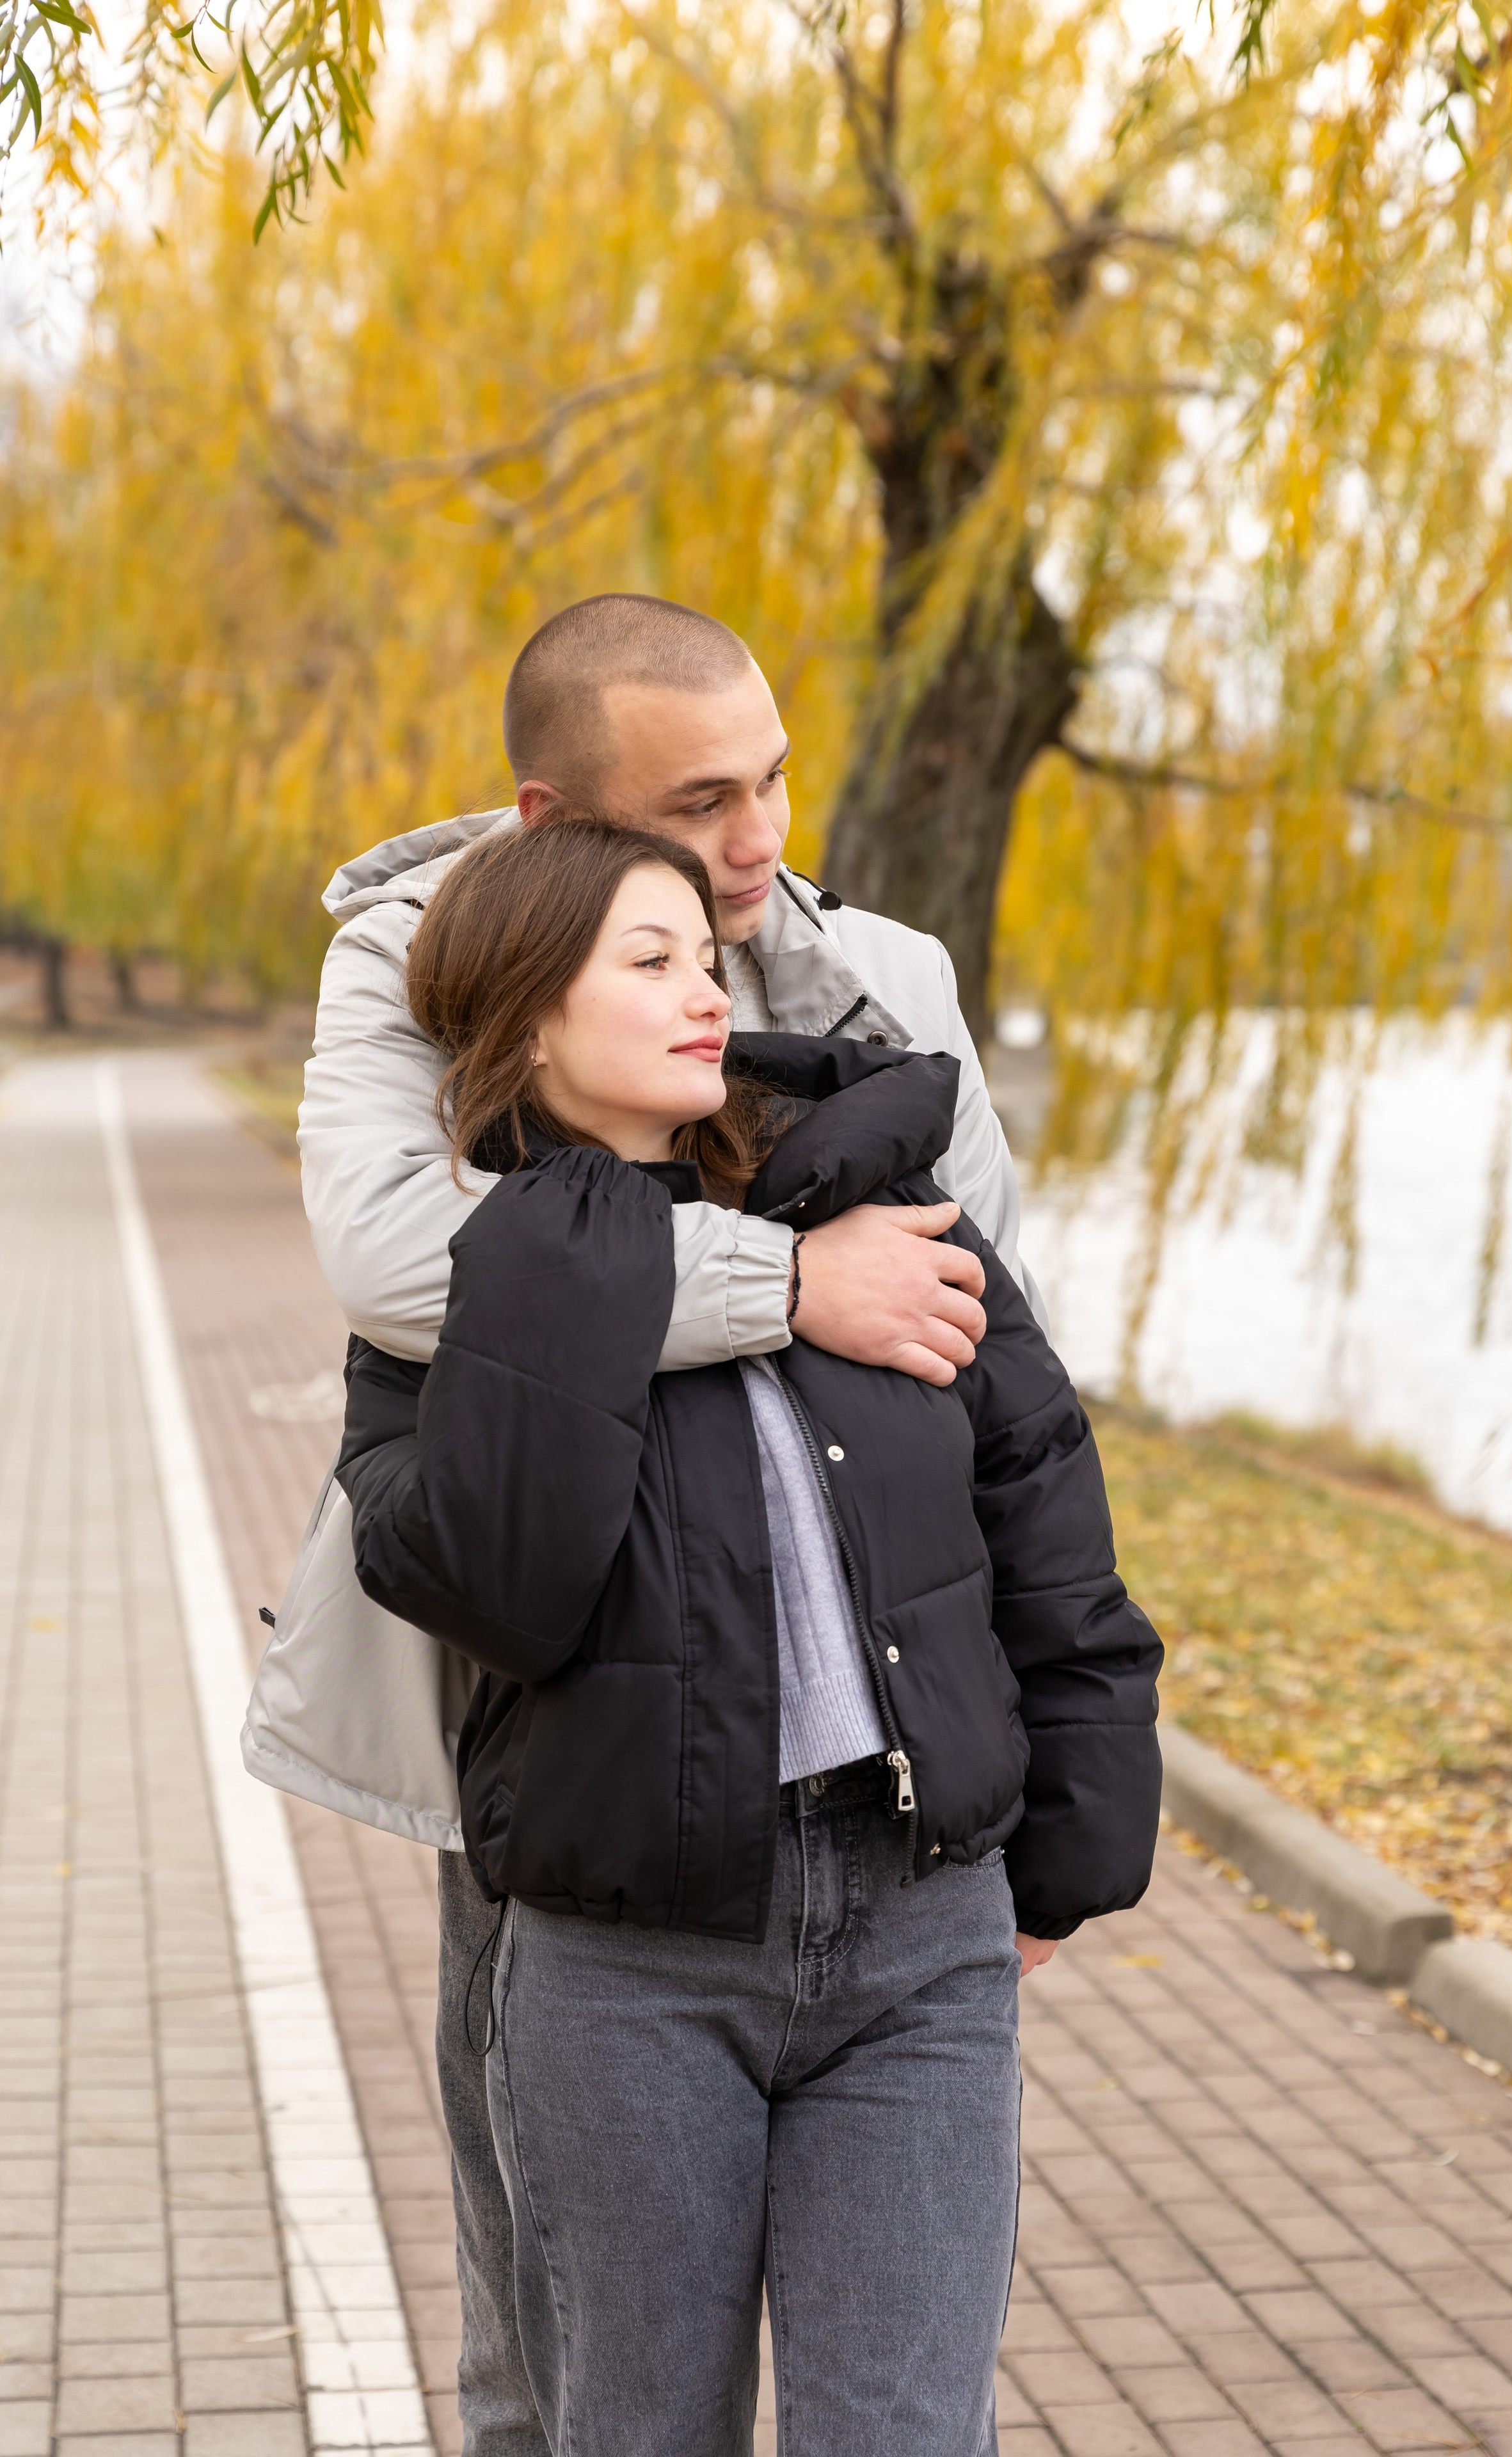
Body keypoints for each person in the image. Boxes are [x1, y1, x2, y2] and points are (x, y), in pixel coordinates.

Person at [292, 592, 1060, 2457]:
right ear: (558, 823)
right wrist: (792, 1285)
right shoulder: (426, 950)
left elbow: (987, 1325)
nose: (760, 839)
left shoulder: (875, 970)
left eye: (776, 776)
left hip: (873, 1814)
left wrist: (1058, 1775)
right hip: (570, 1759)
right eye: (702, 800)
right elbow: (402, 1263)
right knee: (559, 2376)